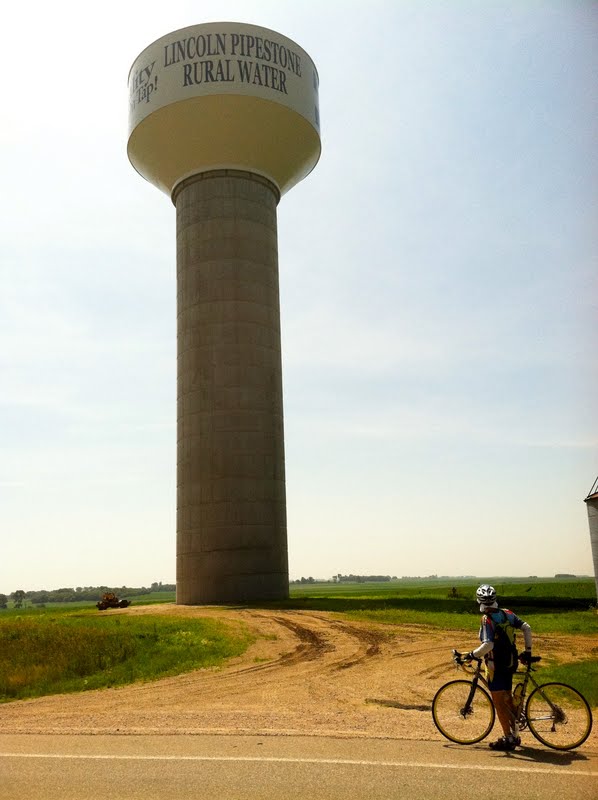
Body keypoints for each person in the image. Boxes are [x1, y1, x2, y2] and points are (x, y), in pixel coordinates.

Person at [465, 584, 533, 751]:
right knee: (507, 697)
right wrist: (528, 651)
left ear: (479, 601)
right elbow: (526, 627)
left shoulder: (486, 619)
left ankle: (508, 738)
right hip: (510, 662)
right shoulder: (507, 613)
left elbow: (488, 645)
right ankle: (515, 734)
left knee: (499, 703)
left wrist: (472, 654)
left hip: (495, 666)